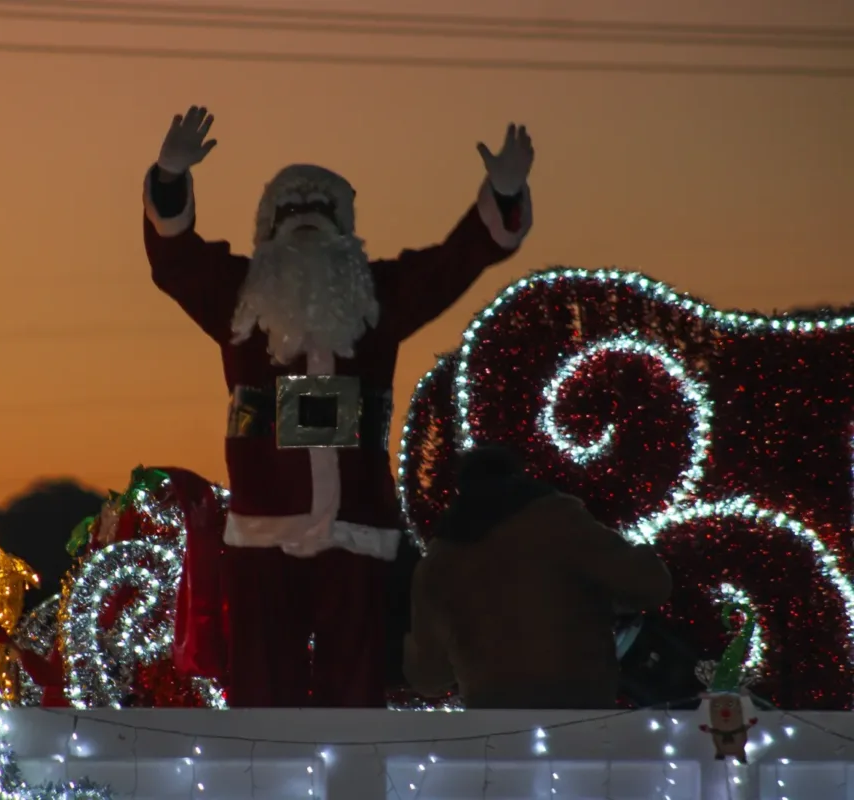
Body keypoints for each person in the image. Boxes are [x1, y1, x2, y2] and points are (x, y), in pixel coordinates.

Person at [143, 106, 534, 707]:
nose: (306, 227)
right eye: (291, 215)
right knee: (261, 686)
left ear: (346, 230)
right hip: (264, 523)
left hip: (356, 525)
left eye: (322, 216)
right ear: (266, 229)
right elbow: (175, 261)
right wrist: (168, 179)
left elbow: (457, 259)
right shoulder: (237, 298)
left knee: (352, 687)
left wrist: (503, 192)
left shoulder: (377, 298)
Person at [404, 445, 674, 708]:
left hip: (495, 726)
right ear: (518, 477)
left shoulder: (438, 562)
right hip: (580, 711)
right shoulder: (557, 521)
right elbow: (651, 583)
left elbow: (428, 676)